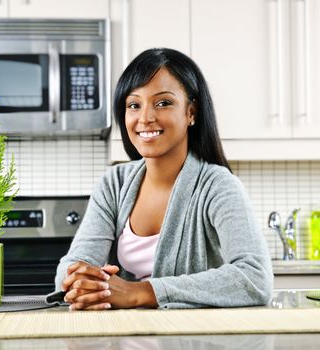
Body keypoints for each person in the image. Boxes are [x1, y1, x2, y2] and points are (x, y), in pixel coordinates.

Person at [53, 48, 273, 310]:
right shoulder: (114, 185)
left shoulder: (218, 185)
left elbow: (254, 277)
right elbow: (73, 265)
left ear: (191, 112)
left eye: (163, 103)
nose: (145, 117)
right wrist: (81, 281)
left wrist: (142, 292)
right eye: (134, 105)